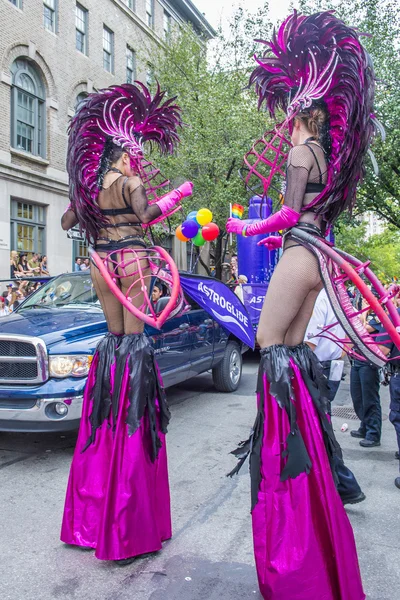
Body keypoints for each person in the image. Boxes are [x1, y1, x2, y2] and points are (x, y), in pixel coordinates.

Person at [225, 11, 379, 599]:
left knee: (269, 350)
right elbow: (307, 215)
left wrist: (244, 224)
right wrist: (269, 232)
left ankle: (289, 470)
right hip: (314, 253)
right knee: (289, 355)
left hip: (299, 253)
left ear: (300, 111)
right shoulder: (326, 155)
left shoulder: (300, 152)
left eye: (286, 109)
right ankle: (314, 471)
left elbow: (289, 214)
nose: (282, 119)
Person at [60, 82, 186, 564]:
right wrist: (176, 196)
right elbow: (147, 215)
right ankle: (130, 466)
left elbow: (69, 222)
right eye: (135, 152)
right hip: (131, 256)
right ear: (126, 152)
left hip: (99, 261)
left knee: (113, 344)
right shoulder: (129, 180)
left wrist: (84, 193)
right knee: (135, 346)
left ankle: (105, 441)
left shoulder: (92, 184)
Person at [305, 288, 366, 505]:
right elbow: (352, 332)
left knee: (318, 430)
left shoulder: (319, 297)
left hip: (317, 368)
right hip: (332, 366)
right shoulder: (337, 295)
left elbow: (308, 345)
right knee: (320, 427)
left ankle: (345, 485)